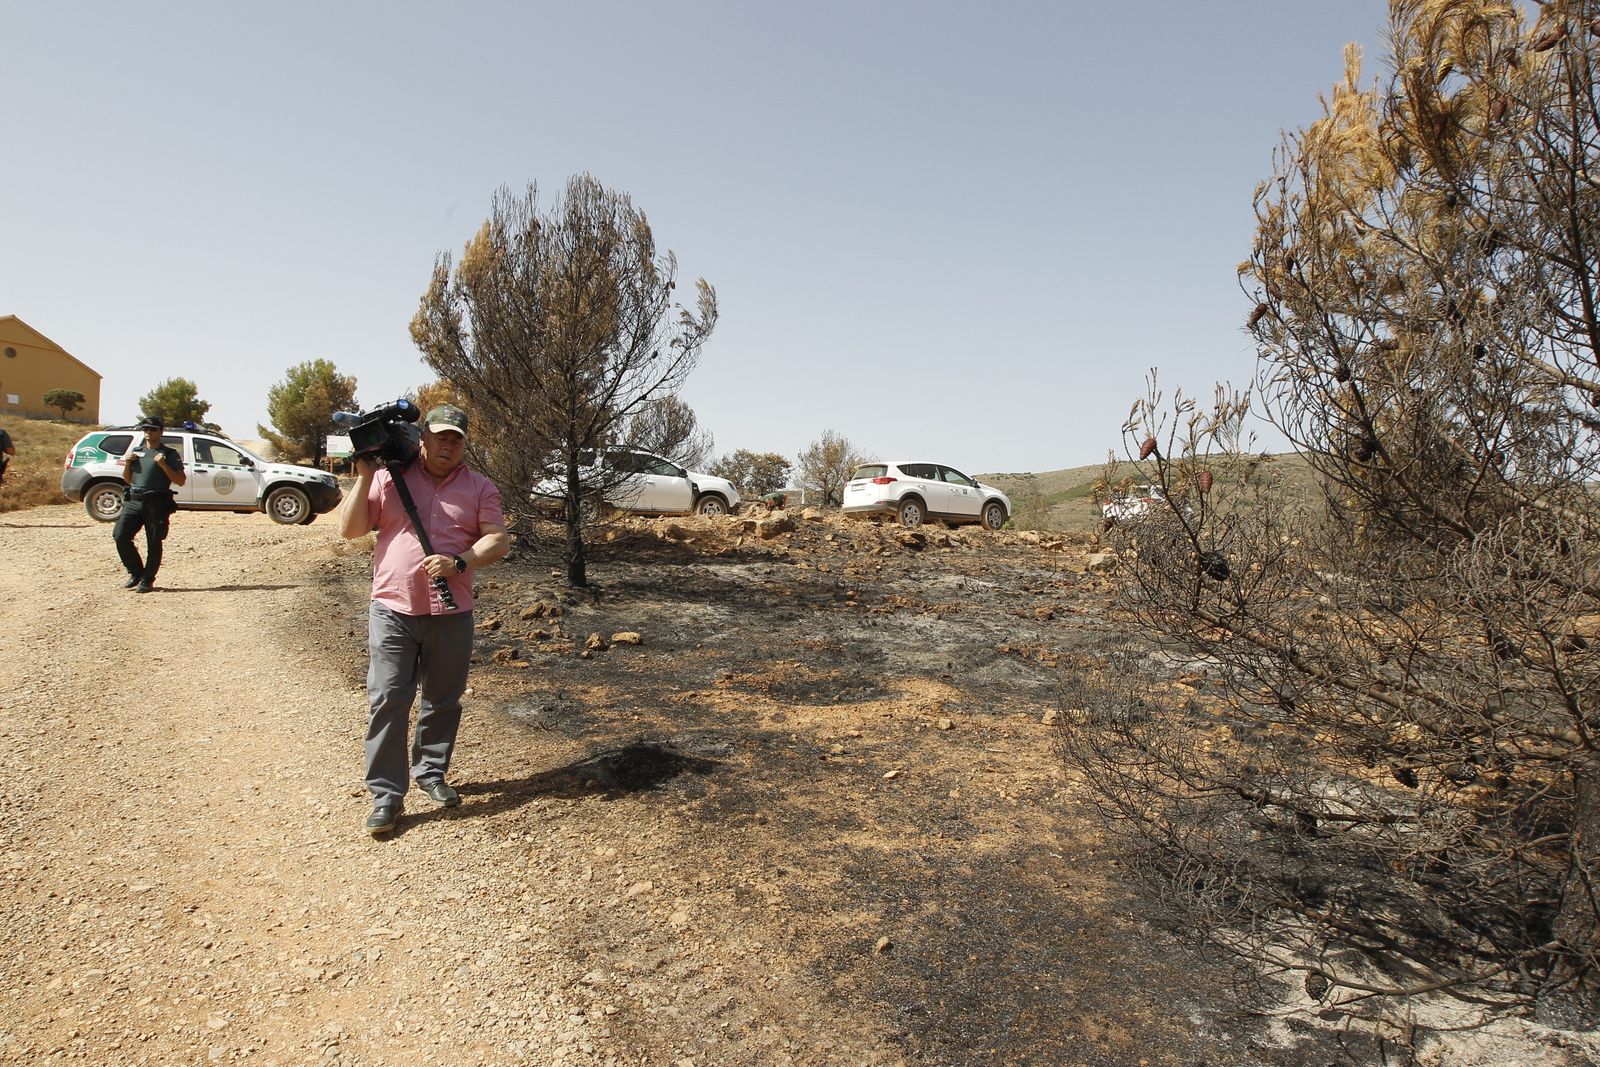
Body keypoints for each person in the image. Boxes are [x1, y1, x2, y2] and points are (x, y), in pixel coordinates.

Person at [340, 404, 508, 836]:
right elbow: (351, 529)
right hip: (393, 608)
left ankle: (431, 773)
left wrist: (460, 561)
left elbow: (497, 539)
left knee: (443, 699)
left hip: (451, 612)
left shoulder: (479, 487)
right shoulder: (387, 477)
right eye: (440, 436)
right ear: (422, 437)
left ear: (464, 444)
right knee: (389, 698)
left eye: (456, 438)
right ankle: (386, 796)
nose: (447, 444)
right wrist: (362, 476)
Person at [114, 415, 186, 593]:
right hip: (134, 500)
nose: (148, 432)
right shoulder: (137, 452)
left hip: (156, 503)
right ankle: (136, 572)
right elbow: (128, 479)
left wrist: (163, 465)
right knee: (120, 536)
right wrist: (127, 464)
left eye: (152, 429)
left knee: (154, 542)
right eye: (145, 429)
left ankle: (148, 580)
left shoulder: (169, 454)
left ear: (161, 432)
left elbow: (181, 480)